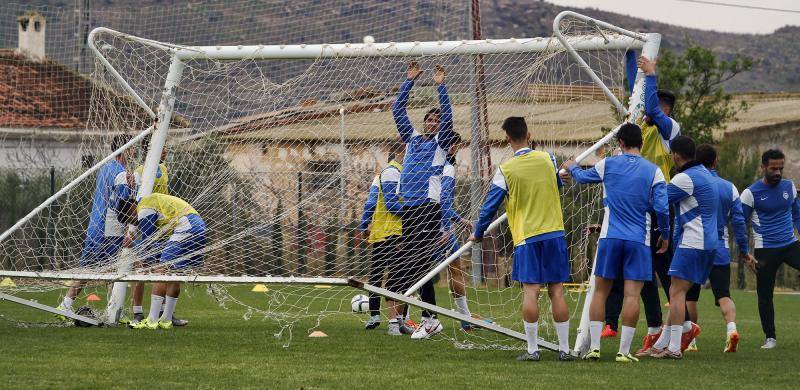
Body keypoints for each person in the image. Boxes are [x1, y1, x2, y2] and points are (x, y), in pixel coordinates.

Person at [561, 123, 670, 362]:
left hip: (610, 237)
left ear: (620, 143)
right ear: (641, 143)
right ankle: (623, 352)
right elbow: (662, 207)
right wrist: (665, 232)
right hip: (638, 241)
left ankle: (595, 348)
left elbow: (580, 177)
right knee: (632, 296)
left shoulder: (608, 164)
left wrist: (572, 165)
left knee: (600, 292)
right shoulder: (654, 171)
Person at [470, 117, 574, 362]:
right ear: (529, 134)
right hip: (554, 233)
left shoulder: (505, 170)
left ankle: (532, 350)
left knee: (531, 292)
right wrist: (561, 178)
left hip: (527, 238)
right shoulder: (548, 159)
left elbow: (488, 208)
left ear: (508, 140)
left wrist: (478, 232)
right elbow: (555, 184)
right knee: (557, 291)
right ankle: (565, 350)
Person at [391, 61, 457, 340]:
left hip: (428, 208)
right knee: (409, 262)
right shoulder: (412, 139)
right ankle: (414, 318)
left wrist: (440, 85)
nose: (432, 123)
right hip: (408, 207)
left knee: (420, 262)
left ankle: (429, 319)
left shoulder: (441, 144)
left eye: (436, 121)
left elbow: (449, 117)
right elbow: (397, 110)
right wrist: (410, 80)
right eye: (429, 119)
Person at [649, 136, 718, 359]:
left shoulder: (685, 178)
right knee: (677, 291)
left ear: (675, 155)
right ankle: (662, 344)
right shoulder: (706, 174)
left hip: (694, 242)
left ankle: (675, 348)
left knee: (675, 292)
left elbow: (657, 201)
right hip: (707, 243)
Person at [56, 134, 134, 316]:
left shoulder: (106, 168)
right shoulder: (121, 174)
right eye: (132, 147)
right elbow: (122, 206)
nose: (134, 151)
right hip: (111, 229)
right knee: (114, 270)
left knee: (93, 269)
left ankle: (67, 305)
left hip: (96, 225)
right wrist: (131, 188)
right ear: (125, 149)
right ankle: (112, 311)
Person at [684, 144, 751, 353]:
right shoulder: (728, 187)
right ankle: (731, 330)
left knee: (690, 296)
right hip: (719, 248)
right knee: (723, 294)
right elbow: (739, 221)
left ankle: (690, 341)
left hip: (694, 246)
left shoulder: (690, 183)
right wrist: (743, 248)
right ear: (715, 162)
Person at [118, 193, 207, 330]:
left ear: (131, 210)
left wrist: (133, 243)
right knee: (173, 273)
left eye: (129, 220)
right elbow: (157, 245)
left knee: (161, 270)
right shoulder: (152, 203)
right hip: (199, 227)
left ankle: (152, 320)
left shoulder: (144, 208)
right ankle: (166, 320)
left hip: (186, 226)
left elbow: (147, 245)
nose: (133, 224)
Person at [740, 149, 800, 349]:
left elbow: (797, 214)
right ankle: (770, 338)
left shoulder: (789, 187)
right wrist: (744, 252)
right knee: (765, 294)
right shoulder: (750, 193)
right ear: (763, 167)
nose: (778, 172)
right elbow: (740, 222)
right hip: (766, 250)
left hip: (791, 245)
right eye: (773, 168)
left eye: (781, 168)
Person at [357, 142, 412, 335]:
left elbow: (370, 203)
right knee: (399, 276)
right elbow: (387, 204)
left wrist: (364, 226)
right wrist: (414, 214)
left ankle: (375, 315)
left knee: (378, 274)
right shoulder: (395, 174)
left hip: (380, 232)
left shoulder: (379, 177)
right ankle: (396, 321)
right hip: (395, 232)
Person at [130, 135, 182, 326]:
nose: (166, 151)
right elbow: (133, 201)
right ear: (153, 150)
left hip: (163, 225)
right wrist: (133, 230)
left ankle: (164, 314)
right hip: (144, 224)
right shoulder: (139, 172)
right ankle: (137, 313)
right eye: (163, 147)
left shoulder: (164, 169)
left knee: (164, 268)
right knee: (142, 268)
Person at [438, 133, 475, 330]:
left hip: (435, 226)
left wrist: (458, 220)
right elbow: (443, 201)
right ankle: (402, 321)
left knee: (455, 270)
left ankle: (465, 319)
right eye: (453, 144)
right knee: (416, 274)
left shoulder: (434, 164)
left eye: (456, 144)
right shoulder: (447, 168)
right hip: (438, 229)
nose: (455, 147)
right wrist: (452, 223)